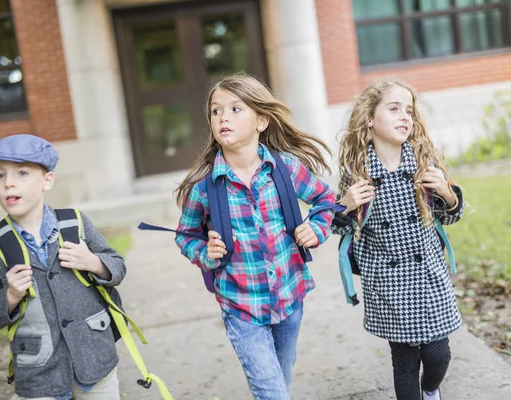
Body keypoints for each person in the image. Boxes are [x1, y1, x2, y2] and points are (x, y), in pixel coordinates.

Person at [174, 73, 335, 400]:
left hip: (290, 297)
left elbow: (325, 200)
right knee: (271, 391)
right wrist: (206, 252)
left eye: (235, 109)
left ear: (262, 120)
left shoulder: (285, 169)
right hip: (240, 304)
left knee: (281, 374)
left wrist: (317, 229)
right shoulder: (205, 186)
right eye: (216, 111)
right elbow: (186, 235)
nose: (223, 118)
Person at [332, 80, 464, 400]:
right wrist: (345, 206)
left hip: (429, 276)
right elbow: (338, 228)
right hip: (389, 284)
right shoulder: (358, 174)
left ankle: (431, 388)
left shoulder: (423, 165)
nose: (404, 116)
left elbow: (450, 217)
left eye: (409, 111)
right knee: (404, 365)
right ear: (369, 119)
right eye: (394, 109)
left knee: (437, 355)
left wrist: (446, 191)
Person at [0, 134, 125, 400]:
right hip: (39, 373)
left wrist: (93, 263)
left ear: (47, 180)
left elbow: (118, 267)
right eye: (0, 175)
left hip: (95, 358)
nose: (8, 183)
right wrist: (9, 297)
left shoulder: (75, 223)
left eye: (21, 173)